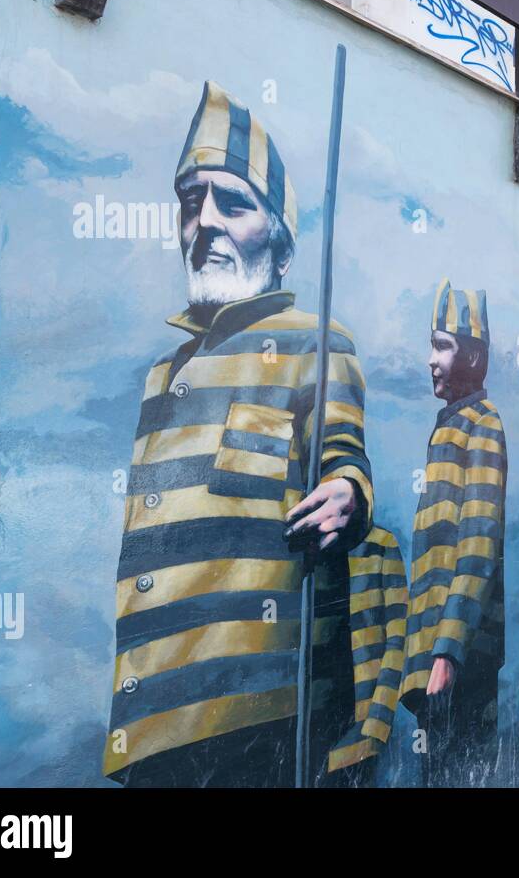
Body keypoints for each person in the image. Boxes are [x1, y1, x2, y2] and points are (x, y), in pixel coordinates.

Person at [103, 82, 376, 787]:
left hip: (260, 713)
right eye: (192, 202)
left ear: (279, 241)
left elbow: (345, 456)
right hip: (154, 717)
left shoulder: (318, 343)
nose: (207, 222)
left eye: (234, 203)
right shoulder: (163, 373)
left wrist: (347, 494)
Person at [401, 278, 507, 787]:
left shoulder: (482, 423)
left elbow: (479, 544)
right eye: (432, 344)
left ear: (471, 355)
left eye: (443, 345)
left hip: (463, 653)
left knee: (456, 768)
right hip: (439, 648)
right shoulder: (449, 422)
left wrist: (447, 650)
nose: (431, 359)